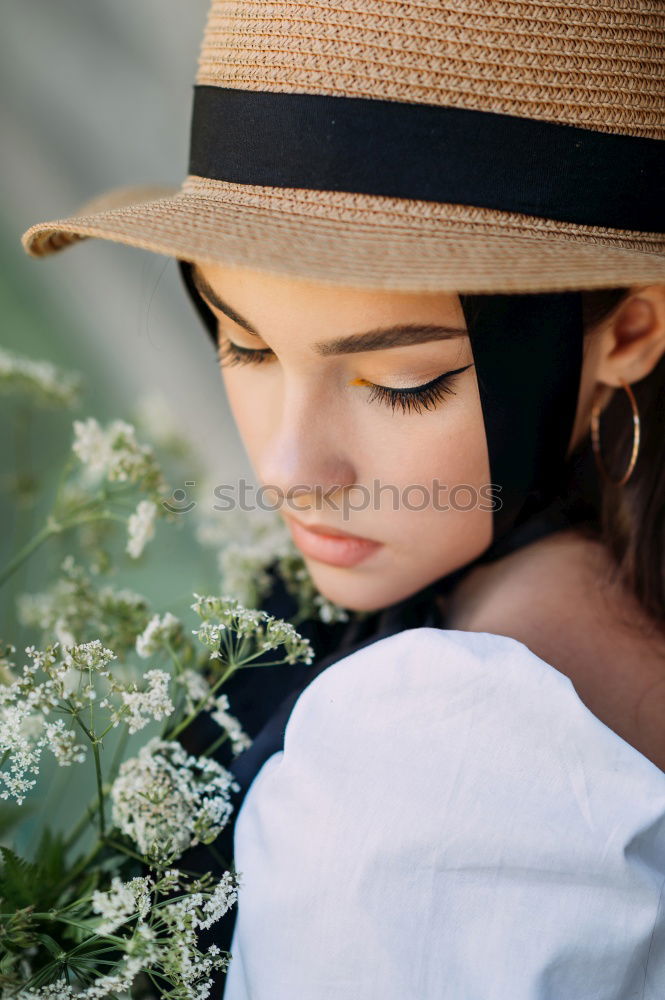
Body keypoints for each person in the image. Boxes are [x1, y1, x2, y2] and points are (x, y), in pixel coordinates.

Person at [21, 1, 665, 996]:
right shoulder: (593, 594)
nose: (287, 466)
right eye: (243, 343)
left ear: (625, 330)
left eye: (402, 382)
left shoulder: (435, 760)